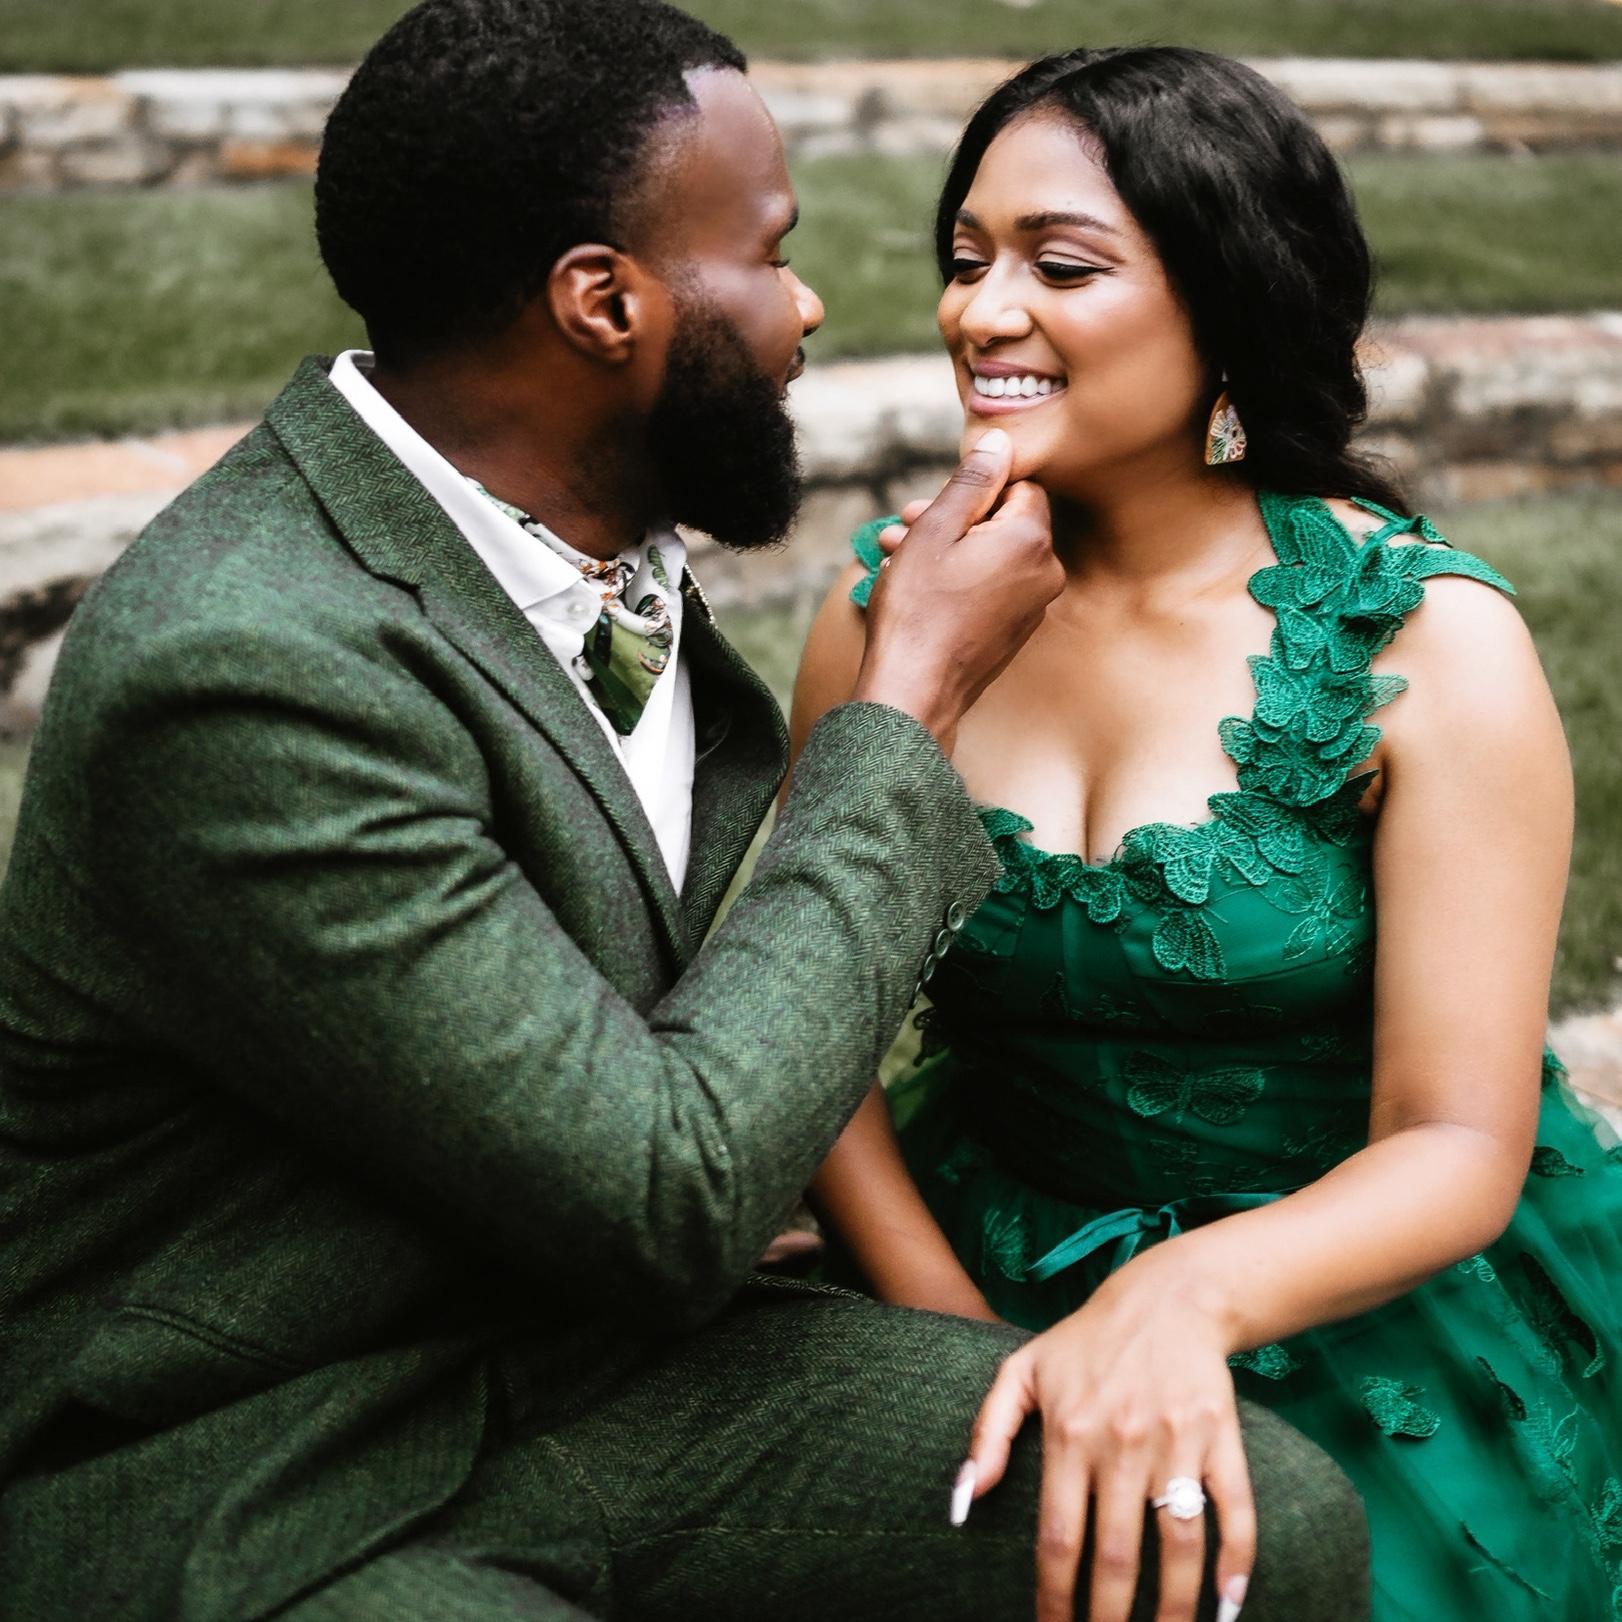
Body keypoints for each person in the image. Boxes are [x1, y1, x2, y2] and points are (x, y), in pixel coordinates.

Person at [0, 7, 1373, 1620]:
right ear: (605, 303)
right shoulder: (248, 667)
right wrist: (902, 707)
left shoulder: (576, 544)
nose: (809, 307)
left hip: (588, 1350)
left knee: (1240, 1528)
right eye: (770, 256)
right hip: (266, 1451)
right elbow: (667, 1193)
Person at [793, 45, 1622, 1622]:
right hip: (953, 1261)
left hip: (1348, 1298)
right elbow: (811, 1027)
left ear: (1224, 298)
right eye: (964, 259)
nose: (979, 312)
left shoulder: (1420, 645)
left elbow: (1454, 1139)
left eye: (1058, 266)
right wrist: (957, 1348)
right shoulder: (889, 615)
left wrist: (1178, 1296)